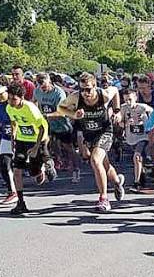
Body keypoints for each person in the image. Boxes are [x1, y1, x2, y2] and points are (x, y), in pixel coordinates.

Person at [58, 73, 125, 212]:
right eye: (82, 89)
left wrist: (117, 111)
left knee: (95, 160)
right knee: (104, 164)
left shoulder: (103, 95)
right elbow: (60, 108)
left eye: (88, 89)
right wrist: (73, 114)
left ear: (95, 87)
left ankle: (104, 199)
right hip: (89, 134)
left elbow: (115, 91)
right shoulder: (76, 97)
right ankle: (117, 182)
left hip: (105, 131)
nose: (85, 93)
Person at [6, 83, 52, 214]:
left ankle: (43, 166)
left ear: (21, 97)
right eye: (9, 99)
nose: (11, 102)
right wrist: (13, 138)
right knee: (17, 170)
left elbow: (42, 128)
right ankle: (21, 202)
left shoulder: (30, 108)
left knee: (33, 172)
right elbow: (13, 122)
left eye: (14, 99)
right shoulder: (9, 107)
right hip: (22, 140)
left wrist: (37, 147)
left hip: (37, 138)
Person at [33, 73, 65, 182]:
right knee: (43, 143)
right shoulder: (37, 91)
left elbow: (62, 111)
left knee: (67, 147)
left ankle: (75, 167)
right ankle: (45, 167)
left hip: (60, 123)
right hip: (45, 123)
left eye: (45, 86)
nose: (43, 88)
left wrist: (48, 115)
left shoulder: (59, 93)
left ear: (49, 81)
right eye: (41, 86)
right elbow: (34, 103)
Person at [120, 89, 153, 193]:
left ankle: (136, 182)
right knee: (139, 160)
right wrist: (124, 123)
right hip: (131, 138)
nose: (128, 102)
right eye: (126, 100)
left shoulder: (143, 107)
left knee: (137, 156)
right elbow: (120, 122)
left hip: (143, 137)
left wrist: (148, 124)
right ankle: (145, 172)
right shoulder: (123, 108)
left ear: (135, 98)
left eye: (130, 99)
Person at [0, 85, 17, 204]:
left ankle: (43, 168)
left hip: (21, 137)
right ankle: (12, 191)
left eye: (1, 95)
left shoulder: (14, 103)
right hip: (5, 136)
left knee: (27, 164)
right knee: (4, 162)